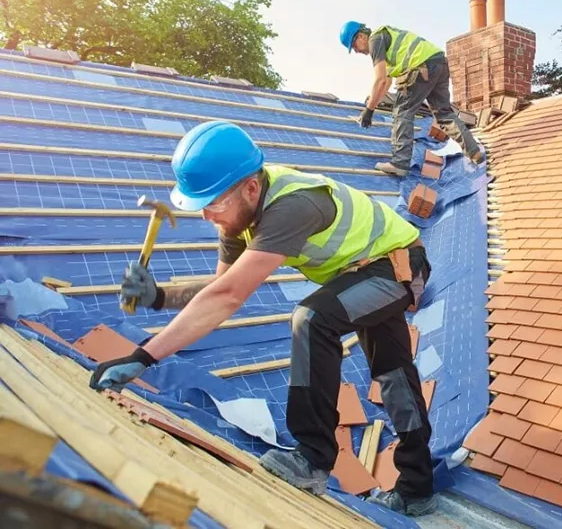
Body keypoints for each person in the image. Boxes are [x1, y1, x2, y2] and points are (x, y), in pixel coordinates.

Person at [89, 120, 438, 517]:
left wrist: (143, 356)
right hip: (362, 273)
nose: (206, 215)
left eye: (213, 203)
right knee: (393, 374)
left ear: (251, 188)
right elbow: (221, 288)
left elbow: (227, 298)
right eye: (200, 204)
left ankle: (313, 458)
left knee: (312, 319)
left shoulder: (293, 206)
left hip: (398, 265)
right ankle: (417, 488)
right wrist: (159, 297)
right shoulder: (237, 216)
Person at [339, 20, 484, 177]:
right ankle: (474, 152)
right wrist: (373, 104)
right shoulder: (386, 40)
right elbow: (386, 82)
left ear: (360, 36)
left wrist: (369, 110)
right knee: (444, 115)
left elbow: (379, 79)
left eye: (354, 46)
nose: (356, 51)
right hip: (438, 63)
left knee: (402, 112)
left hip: (420, 67)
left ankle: (400, 163)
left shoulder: (375, 40)